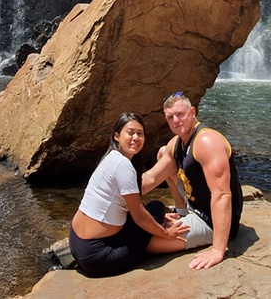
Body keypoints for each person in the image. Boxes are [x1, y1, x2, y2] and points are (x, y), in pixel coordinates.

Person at [69, 113, 189, 277]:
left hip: (76, 243)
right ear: (117, 136)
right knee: (156, 209)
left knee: (156, 210)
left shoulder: (111, 157)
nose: (136, 138)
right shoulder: (123, 165)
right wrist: (165, 233)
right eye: (130, 132)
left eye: (140, 133)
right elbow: (139, 215)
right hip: (98, 256)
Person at [141, 92, 244, 270]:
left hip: (211, 220)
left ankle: (200, 228)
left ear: (193, 112)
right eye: (170, 117)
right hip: (193, 206)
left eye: (180, 114)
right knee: (163, 152)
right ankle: (182, 211)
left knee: (146, 241)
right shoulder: (177, 142)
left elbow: (222, 195)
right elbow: (150, 178)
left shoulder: (207, 141)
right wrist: (113, 195)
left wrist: (218, 249)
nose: (176, 121)